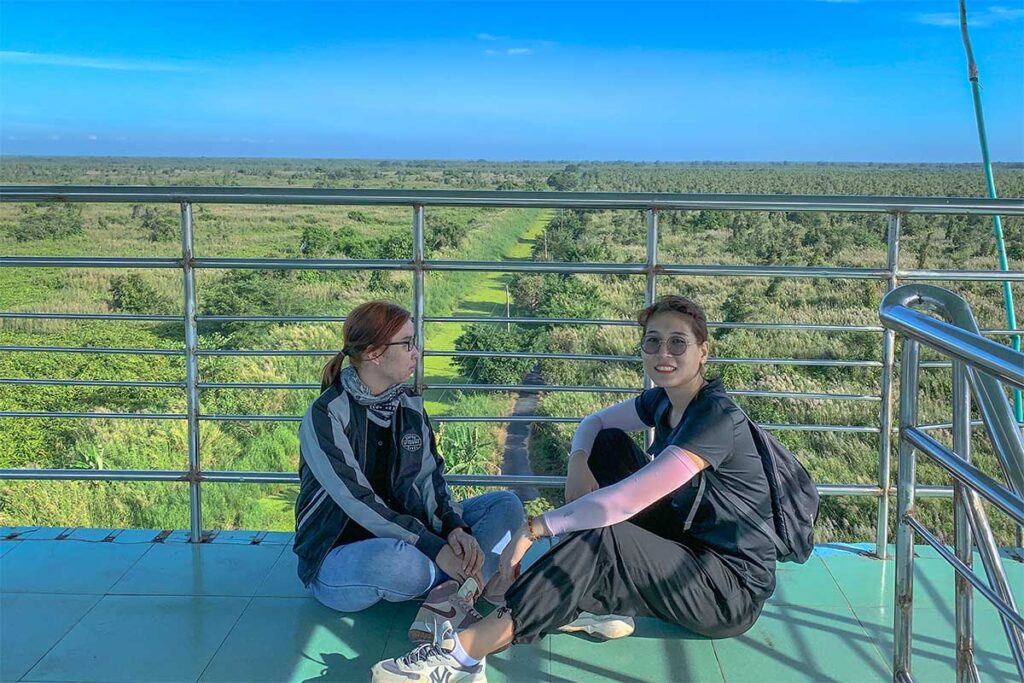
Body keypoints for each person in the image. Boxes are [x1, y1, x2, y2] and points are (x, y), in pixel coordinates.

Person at [372, 295, 778, 683]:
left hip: (727, 590)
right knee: (607, 445)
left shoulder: (715, 419)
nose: (663, 354)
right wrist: (578, 461)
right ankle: (600, 601)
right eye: (652, 342)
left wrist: (532, 529)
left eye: (678, 343)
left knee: (607, 534)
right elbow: (594, 424)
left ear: (703, 351)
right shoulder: (665, 402)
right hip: (690, 547)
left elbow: (624, 502)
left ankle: (461, 656)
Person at [293, 300, 525, 641]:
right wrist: (436, 547)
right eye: (408, 343)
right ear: (374, 353)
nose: (417, 352)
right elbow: (357, 501)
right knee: (402, 564)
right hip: (341, 556)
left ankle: (452, 593)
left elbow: (431, 479)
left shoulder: (409, 406)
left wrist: (455, 529)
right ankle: (472, 583)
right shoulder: (326, 415)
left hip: (415, 537)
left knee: (507, 506)